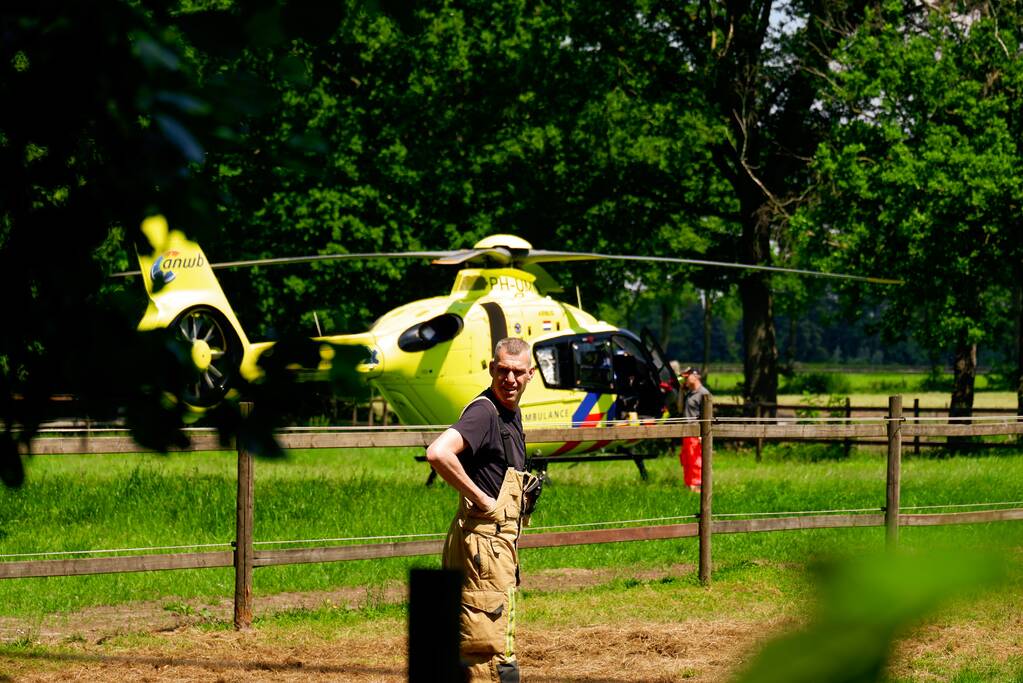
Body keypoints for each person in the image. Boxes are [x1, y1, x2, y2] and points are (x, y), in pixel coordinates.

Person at [426, 337, 543, 683]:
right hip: (485, 546)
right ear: (492, 368)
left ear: (530, 374)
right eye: (503, 370)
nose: (510, 379)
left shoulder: (510, 412)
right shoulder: (485, 412)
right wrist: (483, 499)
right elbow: (438, 453)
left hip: (493, 545)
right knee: (488, 643)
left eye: (518, 372)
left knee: (479, 634)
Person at [678, 366, 711, 492]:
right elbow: (680, 409)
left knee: (696, 459)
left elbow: (707, 415)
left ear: (696, 376)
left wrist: (703, 435)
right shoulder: (689, 393)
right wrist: (681, 390)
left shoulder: (704, 393)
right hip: (687, 432)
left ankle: (697, 486)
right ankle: (688, 484)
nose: (685, 378)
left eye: (688, 376)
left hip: (697, 432)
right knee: (686, 459)